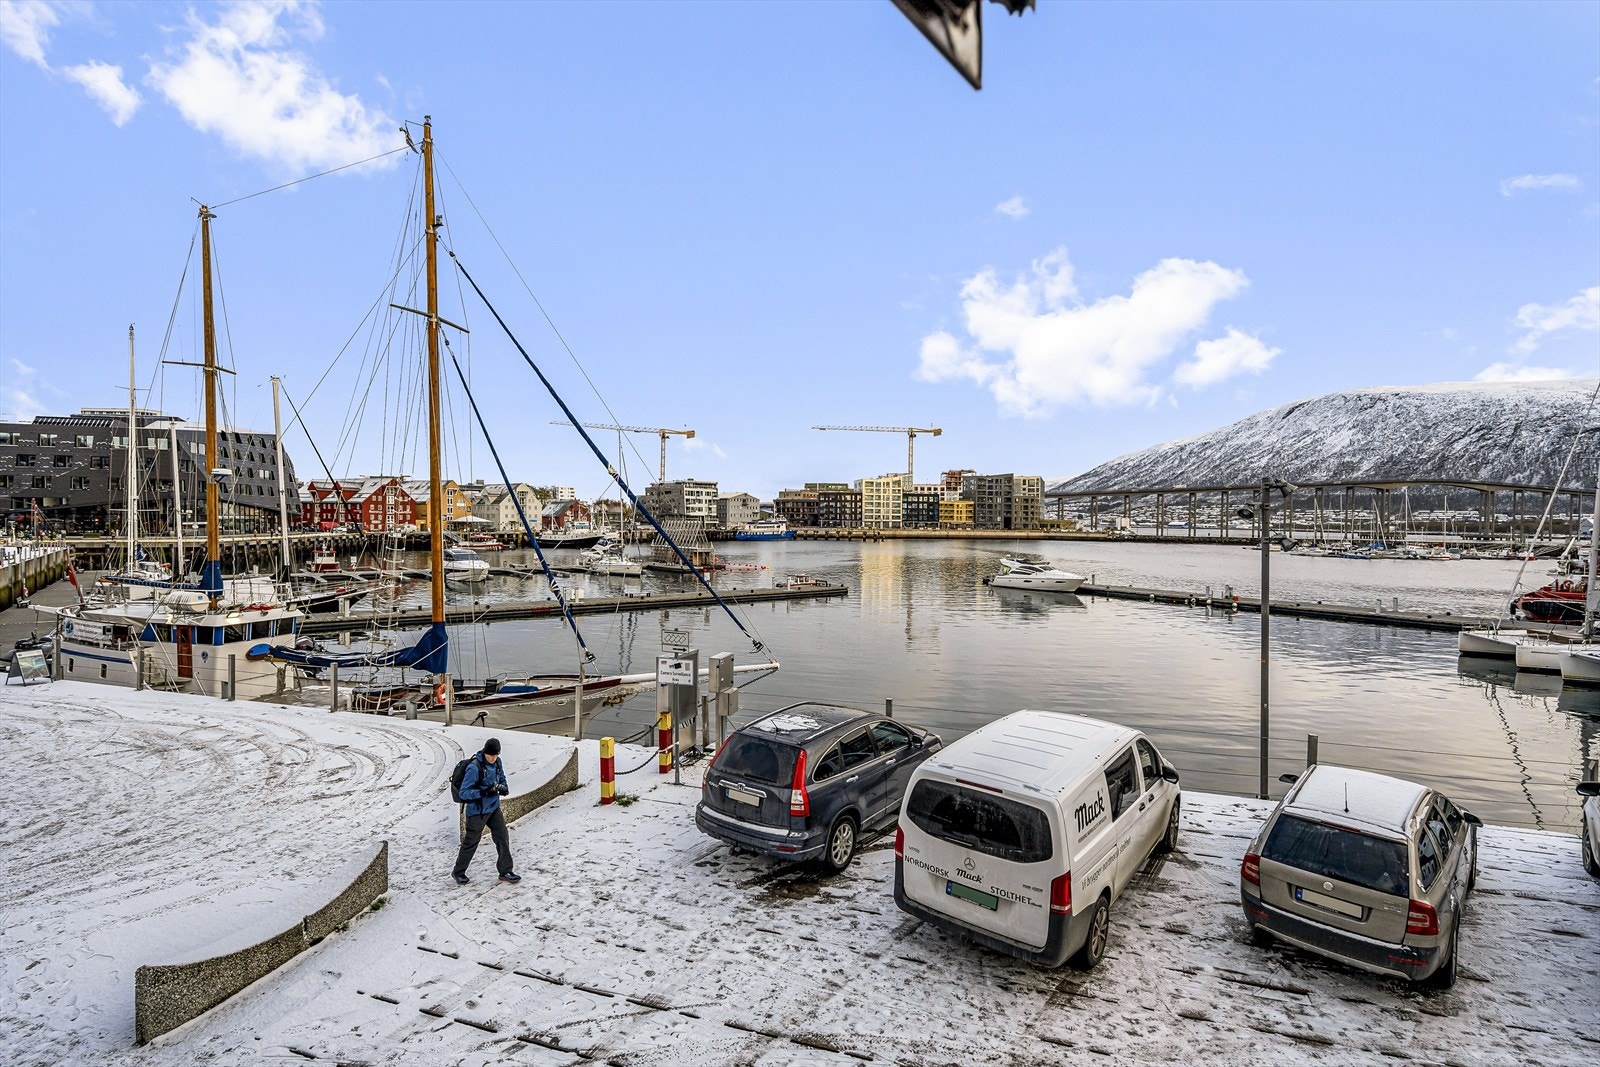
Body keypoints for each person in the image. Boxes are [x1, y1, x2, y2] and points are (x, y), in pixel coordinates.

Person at [452, 737, 520, 885]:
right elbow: (464, 793)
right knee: (471, 842)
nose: (493, 758)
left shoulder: (497, 763)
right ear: (485, 752)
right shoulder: (474, 768)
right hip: (477, 812)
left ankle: (505, 871)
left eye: (495, 755)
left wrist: (503, 788)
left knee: (502, 837)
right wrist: (484, 792)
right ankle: (458, 872)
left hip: (493, 808)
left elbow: (502, 778)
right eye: (490, 755)